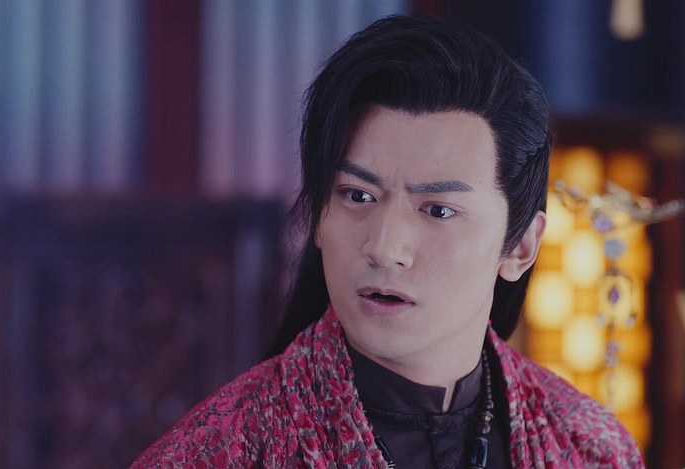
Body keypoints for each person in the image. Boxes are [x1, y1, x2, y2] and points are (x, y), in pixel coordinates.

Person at [132, 15, 643, 468]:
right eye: (358, 195)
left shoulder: (590, 448)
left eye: (438, 210)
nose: (384, 247)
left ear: (521, 248)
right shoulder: (216, 453)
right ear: (319, 216)